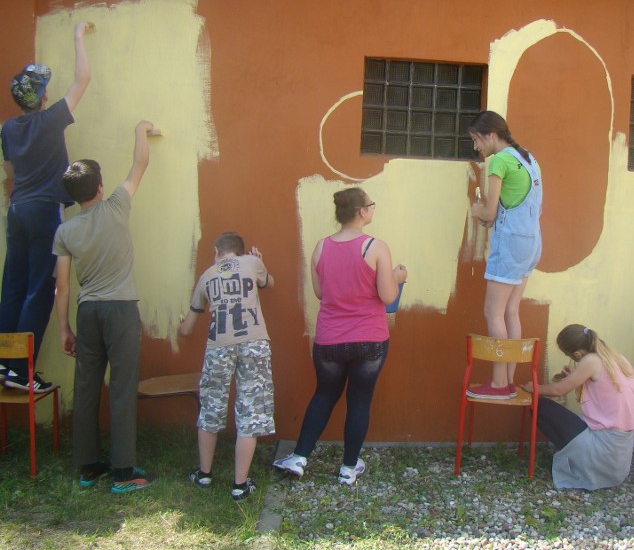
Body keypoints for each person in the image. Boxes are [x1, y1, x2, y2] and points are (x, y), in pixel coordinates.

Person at [272, 187, 406, 485]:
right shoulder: (376, 247)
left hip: (329, 340)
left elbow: (321, 293)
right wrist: (397, 278)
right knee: (359, 400)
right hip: (370, 340)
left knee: (324, 395)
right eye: (371, 204)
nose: (372, 208)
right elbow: (387, 295)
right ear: (362, 212)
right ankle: (348, 467)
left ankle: (299, 457)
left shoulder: (320, 247)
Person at [54, 120, 159, 493]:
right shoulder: (116, 205)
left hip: (88, 312)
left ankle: (88, 468)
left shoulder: (65, 231)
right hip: (120, 310)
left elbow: (62, 287)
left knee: (86, 388)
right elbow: (140, 164)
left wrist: (65, 329)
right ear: (100, 187)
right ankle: (123, 472)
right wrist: (140, 130)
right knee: (122, 387)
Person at [0, 22, 94, 392]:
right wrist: (78, 36)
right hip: (43, 212)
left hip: (17, 211)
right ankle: (22, 372)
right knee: (41, 290)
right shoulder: (51, 119)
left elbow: (9, 171)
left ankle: (5, 365)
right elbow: (83, 78)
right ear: (42, 96)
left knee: (12, 288)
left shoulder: (8, 129)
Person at [179, 232, 276, 501]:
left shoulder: (207, 276)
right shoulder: (251, 263)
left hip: (218, 345)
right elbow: (269, 282)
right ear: (241, 251)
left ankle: (204, 474)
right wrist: (260, 264)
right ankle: (240, 484)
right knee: (250, 409)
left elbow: (187, 327)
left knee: (211, 406)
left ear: (216, 251)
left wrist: (180, 327)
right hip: (253, 343)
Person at [466, 111, 542, 400]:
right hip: (531, 243)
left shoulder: (499, 161)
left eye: (476, 139)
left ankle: (499, 384)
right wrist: (491, 217)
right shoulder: (528, 158)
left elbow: (490, 211)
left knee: (493, 312)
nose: (476, 147)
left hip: (510, 245)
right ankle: (508, 380)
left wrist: (477, 211)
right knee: (511, 311)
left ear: (491, 135)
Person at [520, 324, 634, 490]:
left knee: (541, 406)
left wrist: (534, 387)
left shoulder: (591, 360)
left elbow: (558, 390)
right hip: (618, 454)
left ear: (577, 354)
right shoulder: (616, 358)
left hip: (602, 448)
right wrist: (575, 377)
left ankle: (579, 461)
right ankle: (577, 455)